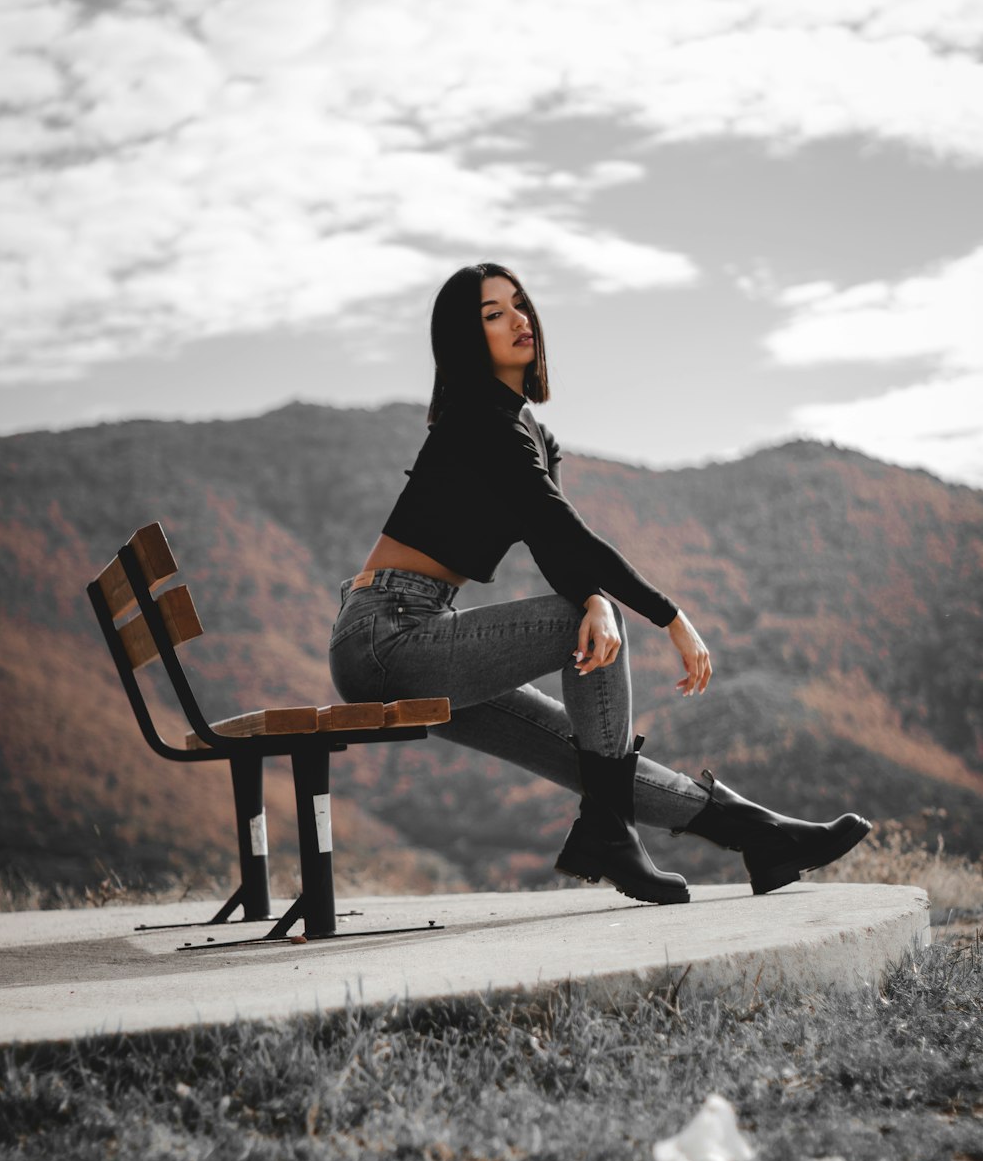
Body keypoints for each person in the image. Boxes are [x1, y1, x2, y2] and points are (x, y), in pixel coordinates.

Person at [329, 262, 870, 903]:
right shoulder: (479, 418)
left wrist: (593, 597)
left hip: (420, 632)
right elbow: (565, 531)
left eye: (519, 304)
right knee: (580, 631)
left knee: (586, 756)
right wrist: (666, 615)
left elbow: (552, 541)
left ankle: (757, 834)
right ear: (465, 339)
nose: (518, 320)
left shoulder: (531, 432)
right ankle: (612, 833)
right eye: (493, 314)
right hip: (386, 633)